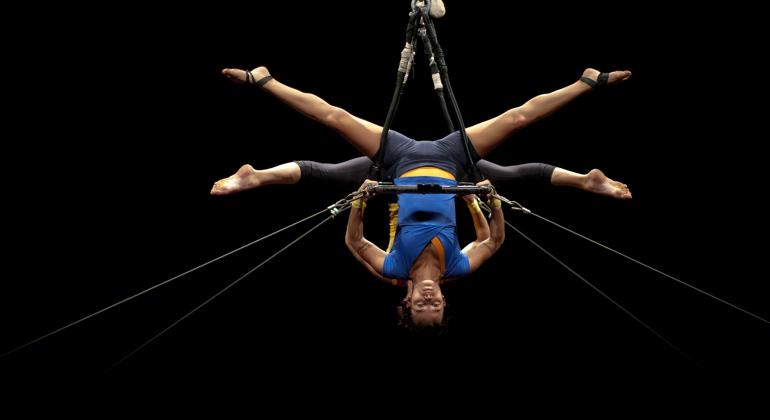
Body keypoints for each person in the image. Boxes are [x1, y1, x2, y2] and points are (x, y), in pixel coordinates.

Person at [212, 65, 632, 329]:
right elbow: (493, 241)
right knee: (516, 120)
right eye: (435, 306)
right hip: (450, 162)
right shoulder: (457, 268)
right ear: (443, 301)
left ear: (406, 302)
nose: (428, 300)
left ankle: (262, 88)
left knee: (334, 120)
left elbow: (355, 243)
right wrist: (484, 201)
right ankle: (586, 86)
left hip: (399, 162)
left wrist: (360, 202)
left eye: (420, 307)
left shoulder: (392, 268)